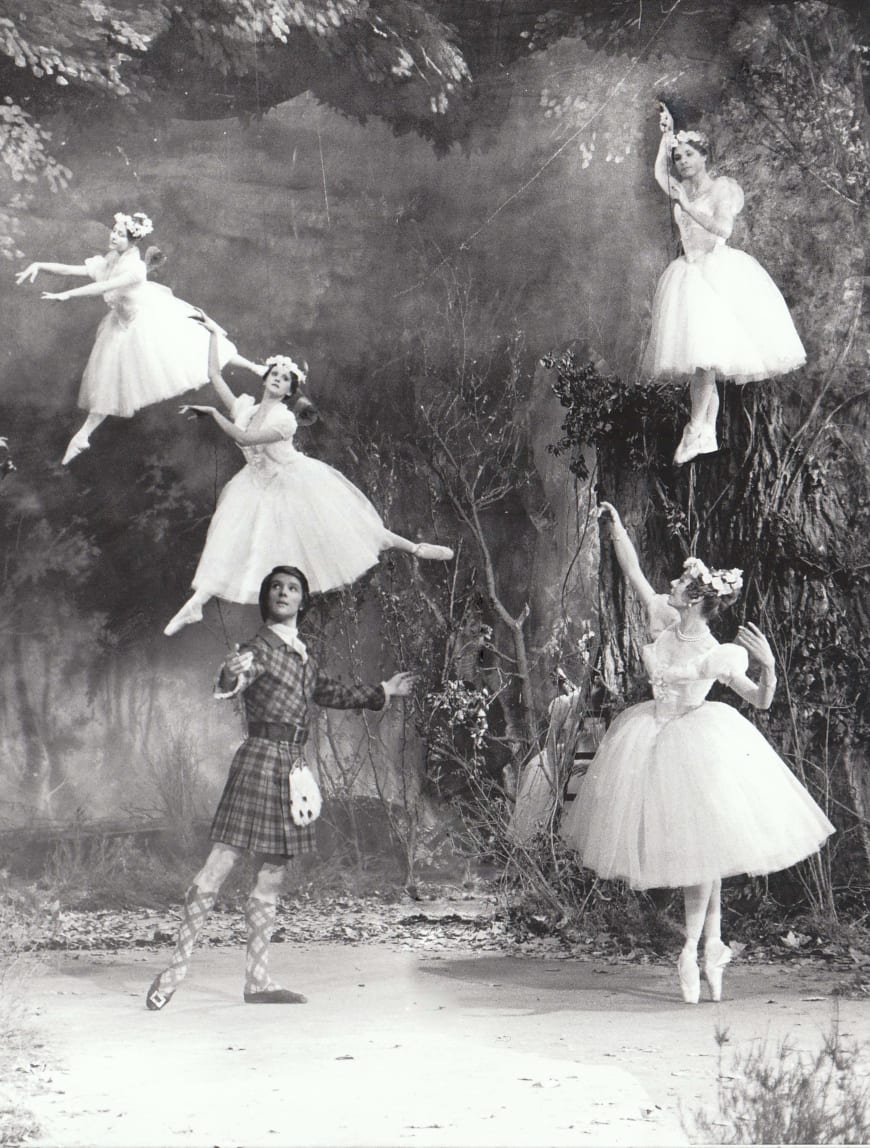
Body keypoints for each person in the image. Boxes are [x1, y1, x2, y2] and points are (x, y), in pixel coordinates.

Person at [560, 503, 834, 1004]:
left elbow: (761, 700)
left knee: (701, 852)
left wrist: (768, 665)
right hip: (650, 739)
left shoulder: (717, 651)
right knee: (699, 852)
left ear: (697, 600)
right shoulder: (664, 618)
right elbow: (635, 574)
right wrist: (617, 529)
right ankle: (712, 947)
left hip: (699, 743)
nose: (674, 583)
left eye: (683, 582)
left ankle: (691, 949)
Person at [147, 565, 415, 1009]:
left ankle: (258, 983)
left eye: (292, 588)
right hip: (259, 760)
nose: (283, 593)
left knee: (272, 874)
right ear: (266, 599)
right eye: (276, 587)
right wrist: (230, 674)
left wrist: (381, 691)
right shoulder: (257, 649)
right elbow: (234, 680)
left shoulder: (303, 658)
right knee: (221, 862)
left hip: (292, 768)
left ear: (303, 601)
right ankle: (174, 969)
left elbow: (332, 692)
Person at [163, 313, 453, 636]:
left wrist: (213, 413)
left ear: (290, 390)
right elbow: (214, 374)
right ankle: (196, 605)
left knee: (354, 531)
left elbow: (244, 439)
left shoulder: (284, 419)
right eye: (274, 372)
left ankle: (415, 548)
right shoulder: (245, 410)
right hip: (255, 488)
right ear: (265, 378)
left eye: (285, 377)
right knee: (231, 547)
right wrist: (214, 332)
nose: (278, 378)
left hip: (294, 483)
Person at [15, 211, 266, 464]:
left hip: (148, 319)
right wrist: (39, 265)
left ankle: (255, 367)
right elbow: (73, 269)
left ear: (133, 240)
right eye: (113, 231)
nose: (113, 236)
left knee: (199, 345)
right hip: (121, 326)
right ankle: (82, 437)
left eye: (120, 234)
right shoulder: (111, 261)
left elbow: (103, 287)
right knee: (107, 382)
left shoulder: (135, 268)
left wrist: (67, 296)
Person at [642, 104, 806, 465]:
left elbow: (724, 230)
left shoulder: (721, 189)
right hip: (689, 272)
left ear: (703, 156)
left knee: (705, 360)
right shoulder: (678, 187)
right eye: (678, 157)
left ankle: (693, 430)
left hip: (718, 274)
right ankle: (706, 435)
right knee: (703, 364)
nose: (681, 161)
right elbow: (659, 173)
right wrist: (665, 136)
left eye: (688, 154)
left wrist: (686, 206)